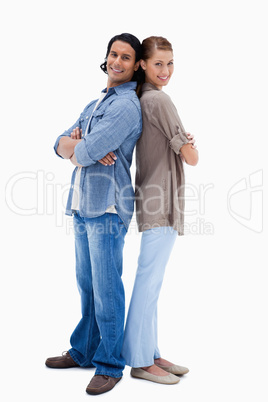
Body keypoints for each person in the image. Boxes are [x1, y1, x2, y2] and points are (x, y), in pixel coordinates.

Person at [45, 33, 143, 396]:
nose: (118, 61)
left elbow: (84, 153)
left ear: (136, 65)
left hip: (107, 208)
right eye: (114, 54)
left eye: (126, 57)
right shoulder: (95, 102)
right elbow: (58, 142)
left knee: (107, 290)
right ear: (107, 58)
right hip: (83, 203)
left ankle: (110, 364)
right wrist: (75, 146)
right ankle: (85, 350)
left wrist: (79, 148)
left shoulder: (126, 106)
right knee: (86, 286)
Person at [121, 36, 199, 384]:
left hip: (153, 196)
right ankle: (139, 360)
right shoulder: (160, 100)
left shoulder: (143, 98)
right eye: (158, 63)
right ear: (143, 65)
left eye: (170, 63)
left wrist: (181, 142)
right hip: (161, 199)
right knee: (148, 282)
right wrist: (188, 143)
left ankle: (150, 351)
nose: (165, 70)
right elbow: (192, 158)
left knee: (152, 282)